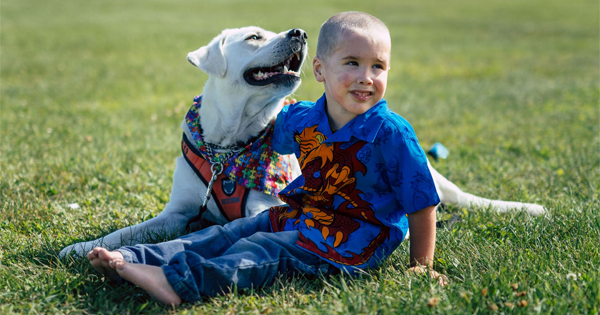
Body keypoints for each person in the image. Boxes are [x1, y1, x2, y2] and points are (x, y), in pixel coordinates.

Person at [87, 11, 446, 306]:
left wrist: (421, 265)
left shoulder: (392, 132)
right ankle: (136, 258)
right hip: (303, 215)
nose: (366, 78)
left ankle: (178, 283)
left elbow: (422, 203)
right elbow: (250, 137)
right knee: (234, 231)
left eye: (378, 67)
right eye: (352, 63)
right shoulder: (301, 118)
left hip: (351, 240)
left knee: (264, 250)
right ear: (319, 71)